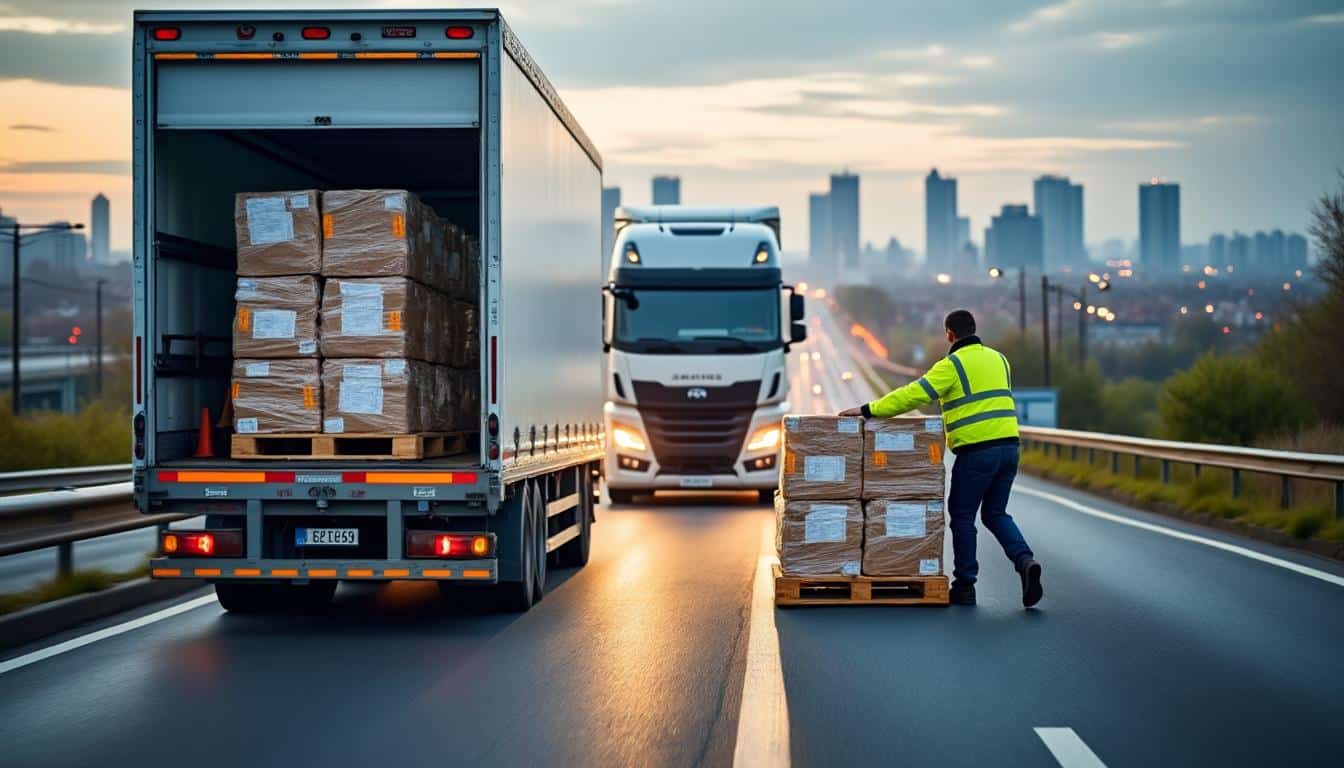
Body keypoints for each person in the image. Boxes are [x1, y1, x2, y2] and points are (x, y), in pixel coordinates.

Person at [839, 309, 1042, 608]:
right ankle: (1025, 561)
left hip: (978, 450)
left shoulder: (952, 364)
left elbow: (914, 394)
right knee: (996, 513)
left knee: (962, 515)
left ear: (950, 333)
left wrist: (868, 409)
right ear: (974, 329)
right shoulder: (1000, 359)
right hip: (1010, 448)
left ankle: (965, 585)